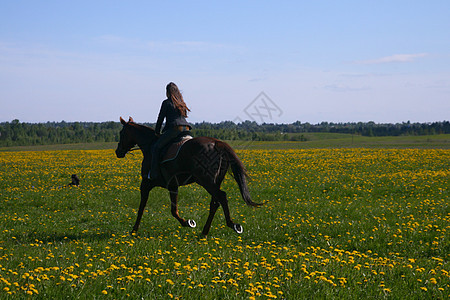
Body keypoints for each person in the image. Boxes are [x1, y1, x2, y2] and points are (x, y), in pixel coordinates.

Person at [149, 82, 192, 180]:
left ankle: (154, 174)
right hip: (186, 129)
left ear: (168, 92)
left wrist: (157, 132)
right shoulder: (181, 103)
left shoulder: (166, 102)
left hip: (175, 130)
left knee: (156, 148)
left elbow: (160, 119)